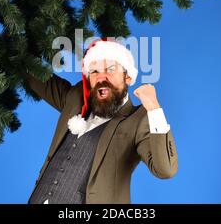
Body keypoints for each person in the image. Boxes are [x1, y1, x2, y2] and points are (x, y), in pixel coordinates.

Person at [27, 38, 178, 204]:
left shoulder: (138, 120)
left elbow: (166, 170)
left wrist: (154, 109)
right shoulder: (75, 98)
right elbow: (33, 74)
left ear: (127, 77)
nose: (101, 77)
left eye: (110, 69)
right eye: (94, 71)